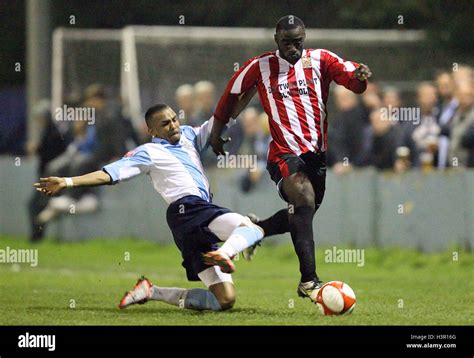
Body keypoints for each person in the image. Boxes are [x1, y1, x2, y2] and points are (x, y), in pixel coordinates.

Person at [35, 104, 264, 312]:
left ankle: (151, 291)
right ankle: (225, 252)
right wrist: (67, 181)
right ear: (152, 131)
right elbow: (109, 174)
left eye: (174, 119)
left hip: (190, 222)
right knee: (252, 228)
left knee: (223, 301)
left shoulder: (189, 135)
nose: (173, 125)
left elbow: (225, 114)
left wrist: (252, 83)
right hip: (189, 209)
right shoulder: (148, 152)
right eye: (165, 123)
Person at [209, 15, 371, 301]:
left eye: (298, 42)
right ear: (276, 40)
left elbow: (352, 80)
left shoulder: (321, 59)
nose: (293, 48)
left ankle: (256, 229)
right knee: (304, 200)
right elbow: (231, 93)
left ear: (304, 38)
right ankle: (309, 280)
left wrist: (360, 78)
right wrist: (216, 132)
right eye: (287, 43)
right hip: (283, 153)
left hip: (316, 156)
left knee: (302, 213)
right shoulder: (260, 66)